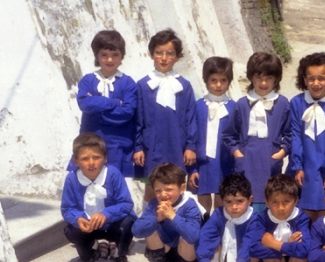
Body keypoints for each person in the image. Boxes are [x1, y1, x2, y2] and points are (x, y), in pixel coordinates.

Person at [134, 29, 197, 203]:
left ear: (177, 57)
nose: (163, 58)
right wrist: (138, 147)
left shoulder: (184, 86)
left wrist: (190, 146)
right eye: (159, 53)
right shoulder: (143, 85)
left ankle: (177, 227)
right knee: (152, 190)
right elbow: (138, 119)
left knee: (175, 191)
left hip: (177, 147)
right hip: (151, 147)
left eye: (170, 54)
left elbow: (190, 118)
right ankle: (149, 228)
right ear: (152, 54)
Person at [223, 52, 291, 213]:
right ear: (251, 77)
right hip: (247, 163)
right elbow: (229, 134)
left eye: (269, 78)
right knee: (246, 206)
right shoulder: (242, 104)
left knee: (270, 205)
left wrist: (281, 152)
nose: (263, 82)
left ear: (276, 79)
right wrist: (237, 153)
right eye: (258, 77)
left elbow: (290, 134)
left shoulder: (282, 103)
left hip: (270, 163)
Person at [61, 132, 135, 262]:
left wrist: (106, 214)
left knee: (128, 224)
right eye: (85, 158)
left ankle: (119, 257)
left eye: (97, 157)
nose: (91, 162)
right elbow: (67, 208)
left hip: (112, 225)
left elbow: (125, 203)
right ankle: (91, 250)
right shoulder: (72, 179)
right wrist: (78, 218)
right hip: (89, 227)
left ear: (105, 158)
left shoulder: (113, 174)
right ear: (76, 161)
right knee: (70, 230)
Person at [288, 52, 325, 223]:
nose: (316, 83)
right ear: (304, 79)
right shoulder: (296, 103)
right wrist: (298, 166)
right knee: (302, 214)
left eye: (321, 78)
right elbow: (295, 136)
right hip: (304, 166)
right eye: (311, 78)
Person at [73, 30, 137, 177]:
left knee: (112, 185)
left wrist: (97, 110)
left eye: (115, 55)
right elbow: (84, 104)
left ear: (122, 57)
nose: (109, 60)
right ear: (97, 56)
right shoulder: (88, 80)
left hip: (117, 145)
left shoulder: (128, 83)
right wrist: (114, 103)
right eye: (104, 55)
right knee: (88, 186)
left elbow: (126, 113)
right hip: (90, 145)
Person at [132, 162, 203, 262]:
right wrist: (156, 219)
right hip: (163, 250)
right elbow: (136, 231)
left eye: (169, 189)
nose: (163, 194)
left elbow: (193, 236)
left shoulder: (190, 205)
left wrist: (173, 216)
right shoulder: (154, 204)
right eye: (158, 190)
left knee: (187, 236)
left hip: (186, 253)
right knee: (149, 227)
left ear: (182, 188)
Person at [246, 174, 311, 262]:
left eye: (286, 201)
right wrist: (287, 247)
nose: (281, 207)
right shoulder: (263, 218)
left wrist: (275, 244)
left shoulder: (301, 218)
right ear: (267, 202)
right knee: (265, 248)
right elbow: (253, 248)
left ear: (296, 201)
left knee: (300, 251)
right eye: (275, 202)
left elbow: (306, 249)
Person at [195, 174, 260, 262]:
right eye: (228, 202)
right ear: (222, 201)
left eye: (240, 201)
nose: (234, 206)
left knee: (255, 250)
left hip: (244, 260)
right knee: (210, 241)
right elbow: (206, 237)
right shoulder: (219, 214)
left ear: (250, 199)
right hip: (222, 257)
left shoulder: (255, 219)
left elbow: (247, 247)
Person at [189, 57, 236, 216]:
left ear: (229, 81)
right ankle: (203, 230)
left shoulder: (234, 108)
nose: (218, 85)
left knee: (222, 201)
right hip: (202, 163)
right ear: (206, 81)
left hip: (224, 164)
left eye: (223, 80)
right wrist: (192, 168)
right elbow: (192, 135)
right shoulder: (198, 106)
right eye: (213, 80)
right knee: (202, 202)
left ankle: (218, 233)